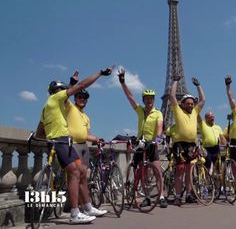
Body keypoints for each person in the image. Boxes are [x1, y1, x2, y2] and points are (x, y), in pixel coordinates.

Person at [35, 66, 113, 224]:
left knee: (81, 172)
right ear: (59, 91)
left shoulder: (46, 107)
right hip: (62, 142)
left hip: (55, 142)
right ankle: (75, 213)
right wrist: (99, 73)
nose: (67, 96)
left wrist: (50, 135)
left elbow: (39, 132)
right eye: (65, 92)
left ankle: (88, 207)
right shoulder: (57, 99)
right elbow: (81, 86)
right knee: (75, 173)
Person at [117, 68, 168, 208]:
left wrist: (157, 140)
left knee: (157, 171)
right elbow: (130, 97)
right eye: (146, 99)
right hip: (140, 143)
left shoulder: (158, 113)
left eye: (151, 98)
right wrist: (123, 82)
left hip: (151, 144)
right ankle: (146, 197)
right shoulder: (140, 110)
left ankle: (161, 196)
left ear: (153, 100)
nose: (149, 101)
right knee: (142, 172)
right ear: (144, 100)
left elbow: (159, 127)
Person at [65, 76, 108, 216]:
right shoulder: (70, 108)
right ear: (75, 98)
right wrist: (72, 83)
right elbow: (64, 97)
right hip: (74, 146)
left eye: (84, 98)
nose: (82, 99)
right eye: (80, 97)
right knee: (76, 176)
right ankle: (76, 209)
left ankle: (88, 207)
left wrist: (96, 138)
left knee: (83, 177)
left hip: (84, 147)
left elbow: (86, 134)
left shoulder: (86, 117)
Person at [169, 74, 205, 206]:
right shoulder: (178, 110)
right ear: (182, 104)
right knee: (180, 170)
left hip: (191, 145)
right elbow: (172, 96)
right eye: (188, 103)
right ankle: (178, 196)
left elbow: (203, 100)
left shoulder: (195, 112)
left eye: (192, 103)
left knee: (189, 171)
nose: (190, 105)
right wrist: (175, 81)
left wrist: (198, 86)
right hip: (179, 145)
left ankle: (189, 194)